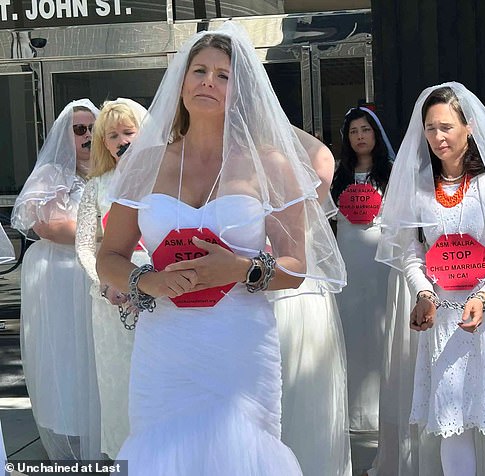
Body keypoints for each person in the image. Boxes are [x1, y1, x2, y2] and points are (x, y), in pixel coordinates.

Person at [96, 21, 345, 475]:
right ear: (181, 80)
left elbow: (295, 266)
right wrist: (147, 281)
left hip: (239, 345)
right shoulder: (144, 162)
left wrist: (240, 268)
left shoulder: (269, 165)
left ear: (240, 90)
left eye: (223, 75)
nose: (208, 82)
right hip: (166, 348)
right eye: (199, 71)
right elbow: (107, 258)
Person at [376, 82, 485, 476]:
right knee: (453, 424)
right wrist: (423, 292)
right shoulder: (420, 188)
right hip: (445, 318)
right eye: (430, 129)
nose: (438, 137)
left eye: (446, 127)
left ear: (468, 127)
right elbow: (411, 250)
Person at [11, 99, 102, 460]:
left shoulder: (112, 170)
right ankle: (74, 437)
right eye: (79, 129)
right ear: (64, 135)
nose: (87, 136)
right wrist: (107, 235)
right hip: (59, 279)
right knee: (66, 355)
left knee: (95, 354)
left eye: (93, 128)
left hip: (95, 274)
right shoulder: (52, 174)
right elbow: (47, 226)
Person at [273, 126, 352, 476]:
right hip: (252, 296)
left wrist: (265, 115)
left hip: (298, 295)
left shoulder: (306, 184)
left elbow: (322, 159)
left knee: (302, 394)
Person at [75, 98, 149, 459]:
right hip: (111, 303)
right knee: (120, 384)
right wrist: (105, 284)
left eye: (128, 132)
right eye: (112, 135)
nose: (121, 140)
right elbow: (86, 246)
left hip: (161, 296)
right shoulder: (97, 187)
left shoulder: (166, 179)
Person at [331, 106, 394, 432]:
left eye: (365, 130)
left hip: (380, 266)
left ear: (376, 134)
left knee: (381, 332)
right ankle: (354, 413)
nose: (360, 137)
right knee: (352, 332)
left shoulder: (391, 174)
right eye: (354, 131)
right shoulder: (336, 176)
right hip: (348, 266)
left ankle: (383, 410)